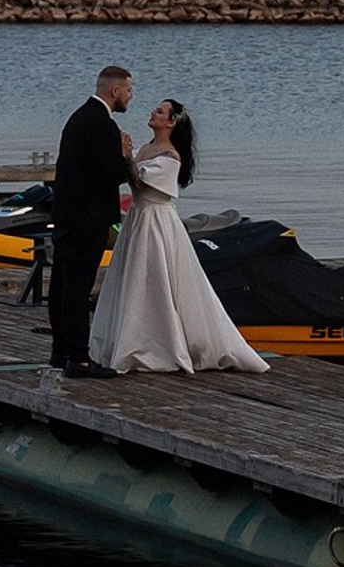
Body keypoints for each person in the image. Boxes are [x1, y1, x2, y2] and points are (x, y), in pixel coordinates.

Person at [90, 101, 269, 377]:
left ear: (171, 122)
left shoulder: (170, 157)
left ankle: (161, 342)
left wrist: (126, 156)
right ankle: (132, 337)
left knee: (157, 277)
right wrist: (122, 154)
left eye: (160, 112)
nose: (153, 113)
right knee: (135, 277)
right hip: (138, 218)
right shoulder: (146, 149)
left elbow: (138, 182)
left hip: (156, 222)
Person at [48, 64, 135, 373]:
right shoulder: (102, 124)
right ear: (115, 91)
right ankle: (79, 358)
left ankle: (61, 351)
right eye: (128, 90)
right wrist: (124, 155)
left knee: (62, 285)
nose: (130, 96)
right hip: (87, 218)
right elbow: (112, 174)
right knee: (77, 288)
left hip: (67, 215)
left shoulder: (79, 117)